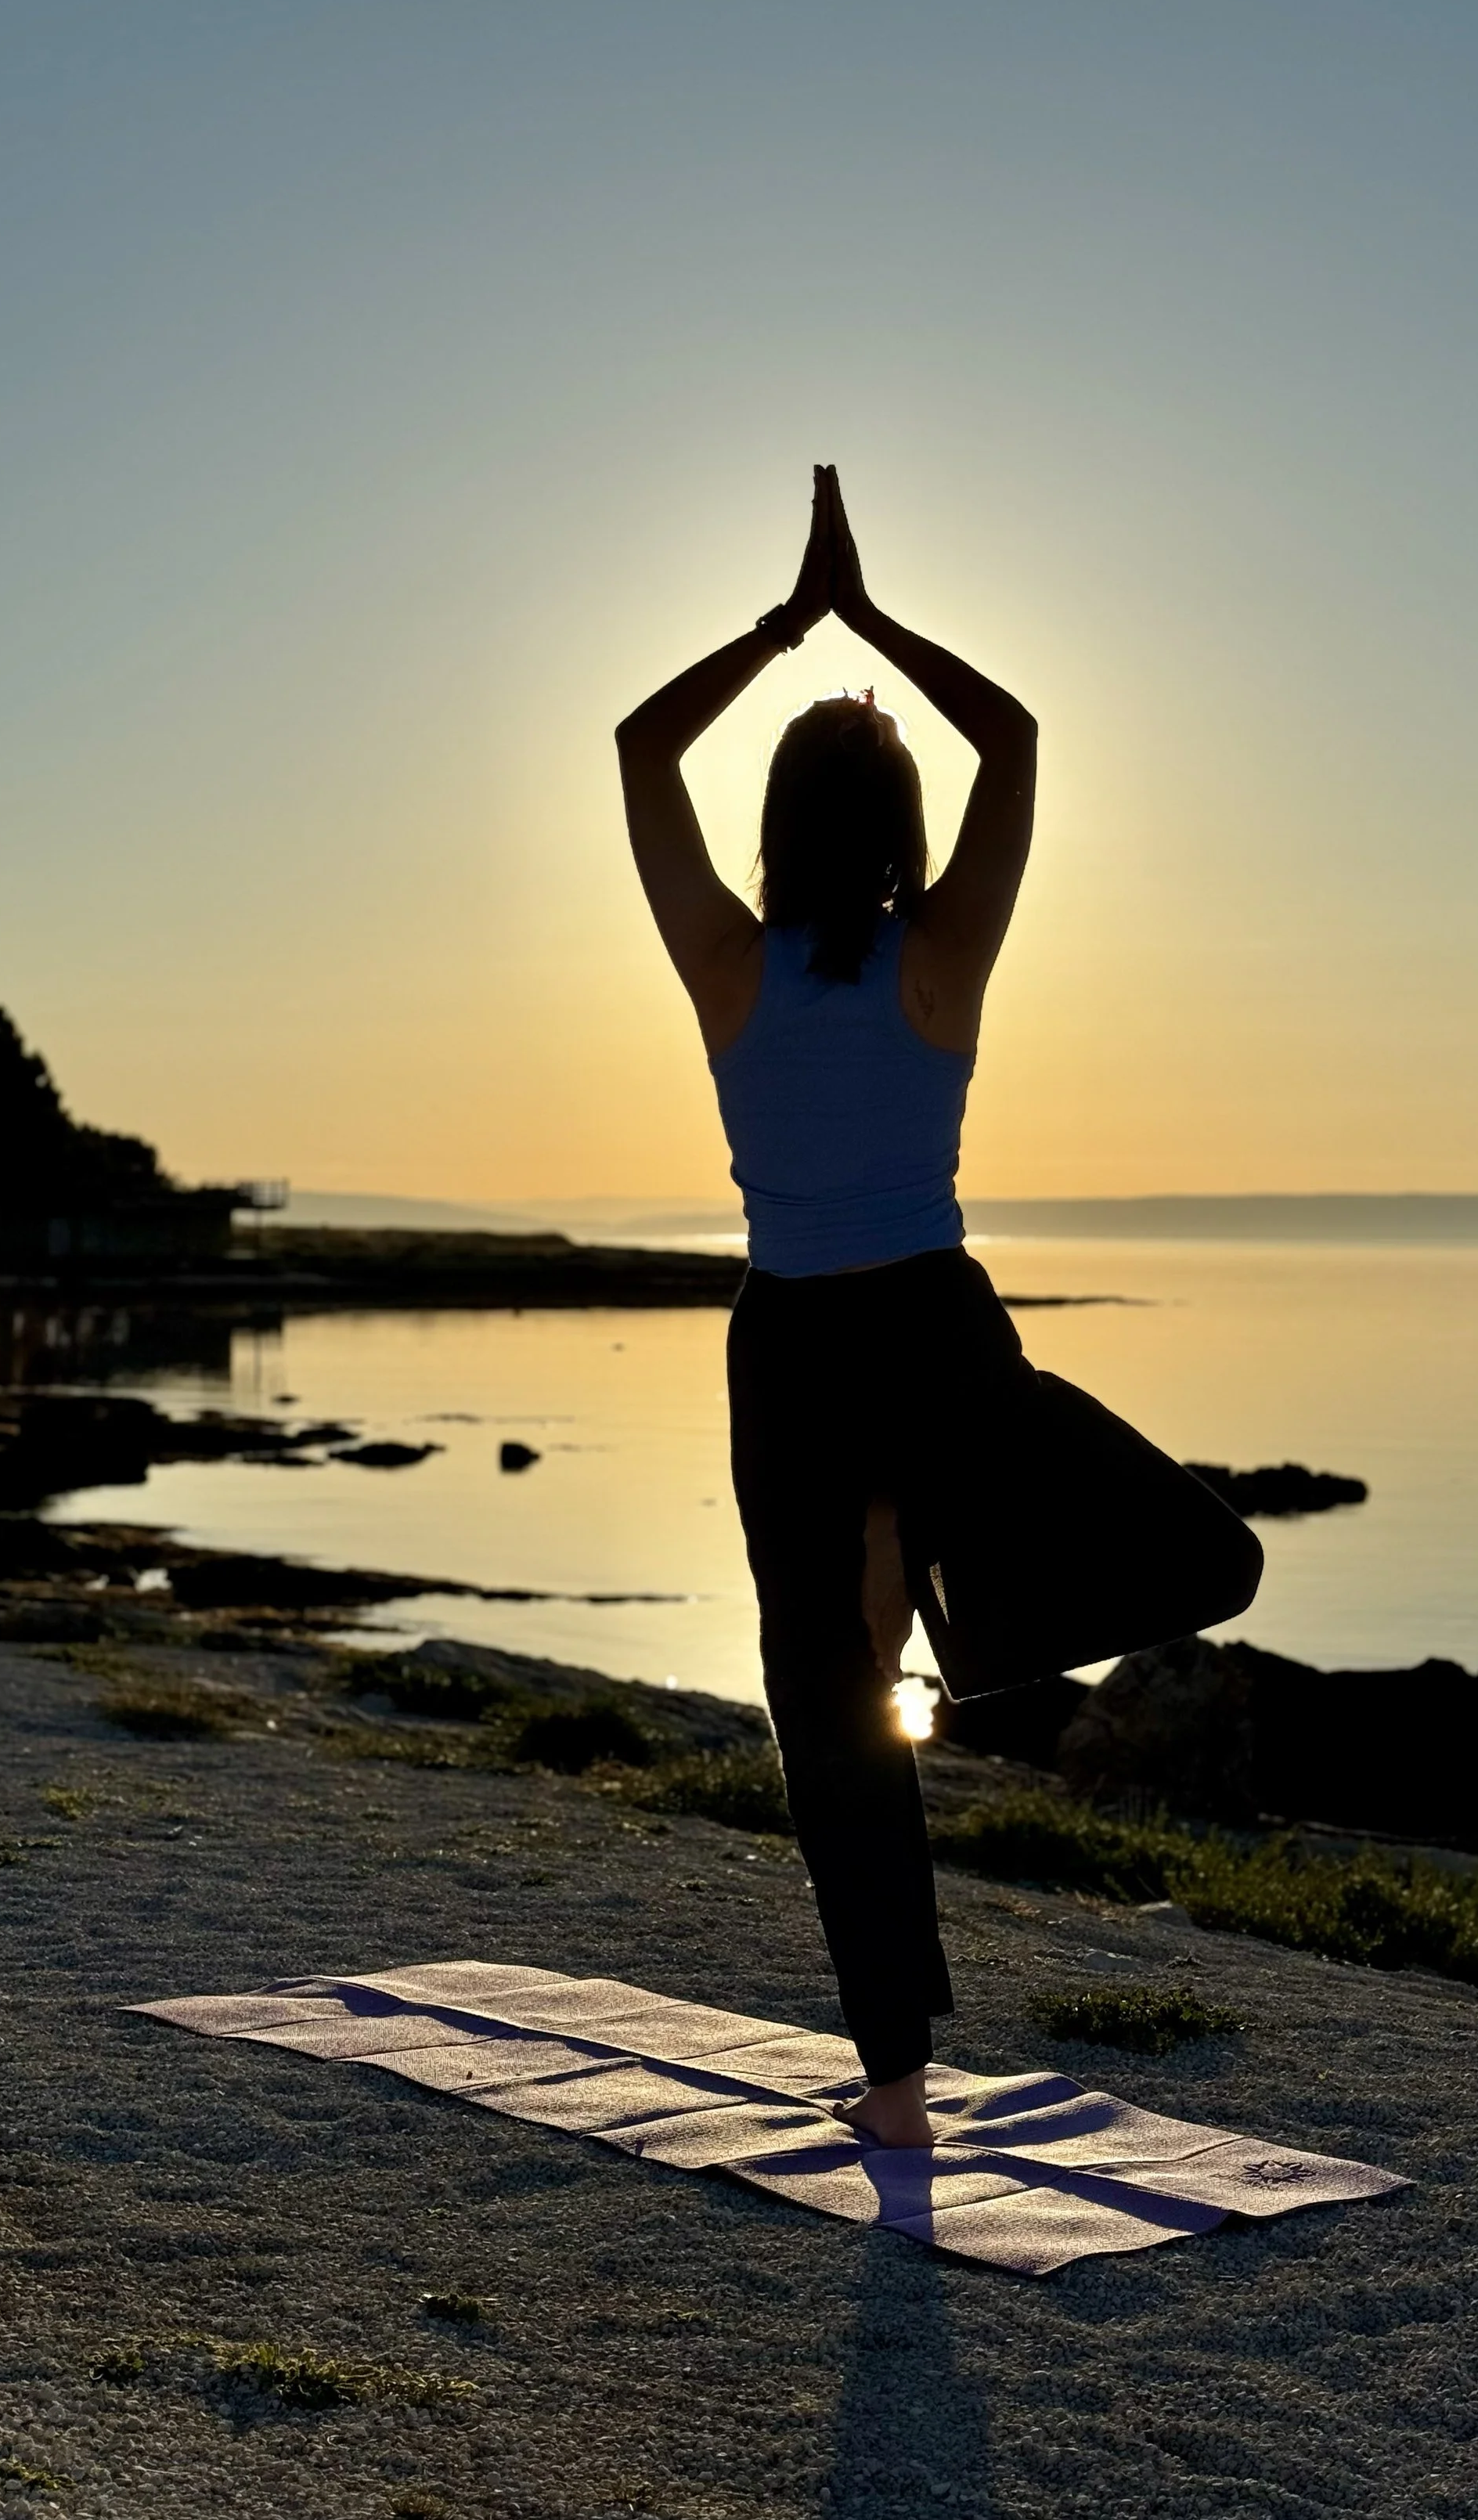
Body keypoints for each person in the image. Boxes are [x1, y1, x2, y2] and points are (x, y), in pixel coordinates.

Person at [615, 465, 1037, 2149]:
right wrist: (868, 623)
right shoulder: (945, 962)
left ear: (777, 833)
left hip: (793, 1341)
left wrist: (786, 623)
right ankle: (954, 1579)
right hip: (931, 1328)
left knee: (826, 1698)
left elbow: (642, 750)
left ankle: (894, 2080)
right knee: (901, 1622)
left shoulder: (729, 965)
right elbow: (1010, 738)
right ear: (901, 834)